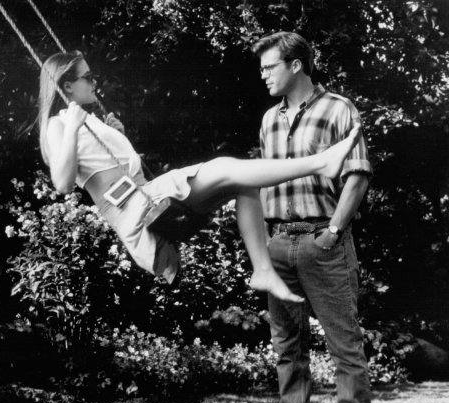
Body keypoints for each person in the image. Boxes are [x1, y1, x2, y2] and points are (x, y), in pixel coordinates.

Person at [37, 51, 359, 304]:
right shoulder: (60, 124)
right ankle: (321, 164)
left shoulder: (87, 121)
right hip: (137, 210)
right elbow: (63, 184)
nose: (94, 82)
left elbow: (112, 167)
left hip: (147, 197)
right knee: (226, 167)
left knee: (243, 183)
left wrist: (116, 136)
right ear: (67, 86)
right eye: (87, 77)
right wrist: (74, 129)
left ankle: (263, 270)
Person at [252, 32, 372, 403]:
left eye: (269, 67)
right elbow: (263, 181)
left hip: (323, 242)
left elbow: (357, 177)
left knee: (345, 346)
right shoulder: (269, 120)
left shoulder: (339, 109)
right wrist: (265, 243)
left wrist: (332, 233)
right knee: (286, 348)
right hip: (278, 244)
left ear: (296, 65)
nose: (263, 75)